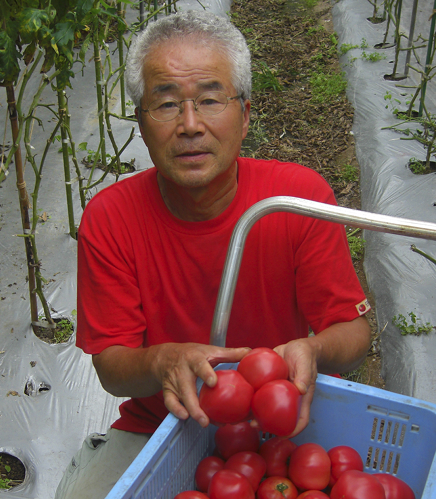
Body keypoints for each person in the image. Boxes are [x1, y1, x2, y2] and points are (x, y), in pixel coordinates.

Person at [55, 9, 371, 499]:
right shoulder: (111, 218)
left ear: (244, 114)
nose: (189, 125)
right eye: (165, 104)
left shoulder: (295, 199)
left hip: (276, 428)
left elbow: (352, 331)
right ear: (141, 123)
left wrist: (315, 349)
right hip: (160, 424)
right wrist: (161, 362)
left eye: (209, 99)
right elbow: (111, 365)